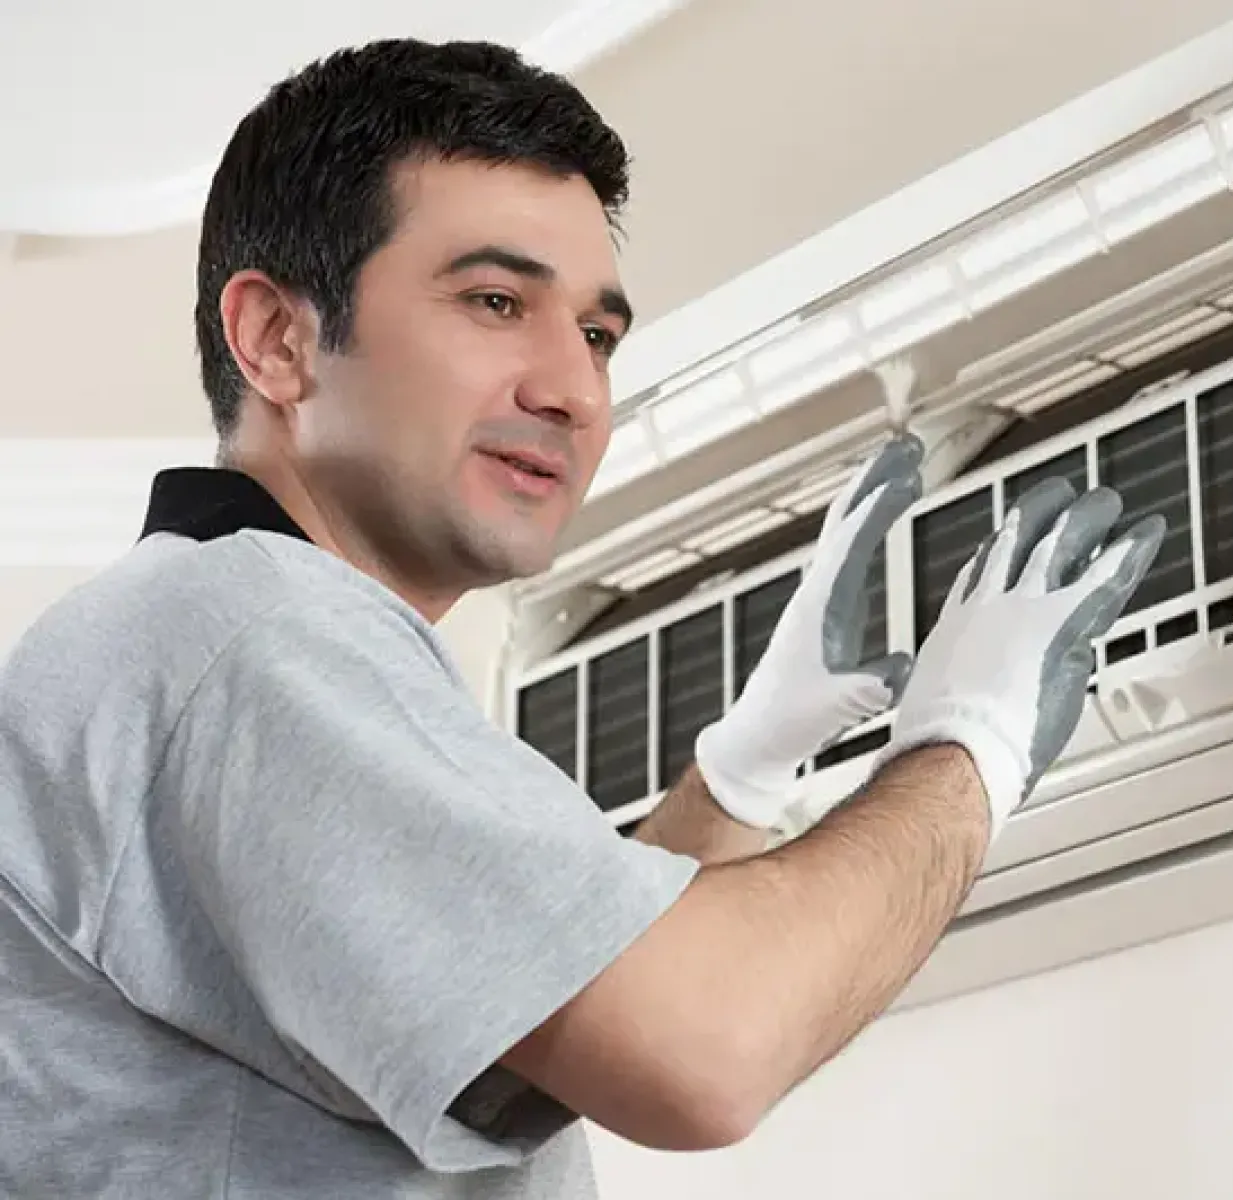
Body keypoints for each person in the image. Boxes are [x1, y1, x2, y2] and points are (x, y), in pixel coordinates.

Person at [0, 37, 1164, 1200]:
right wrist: (970, 748)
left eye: (597, 336)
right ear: (276, 340)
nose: (574, 390)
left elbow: (555, 1005)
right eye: (495, 301)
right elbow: (703, 1053)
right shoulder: (247, 636)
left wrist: (739, 779)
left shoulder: (195, 642)